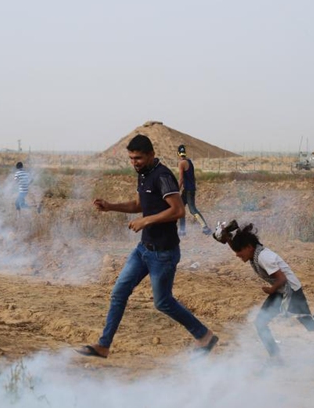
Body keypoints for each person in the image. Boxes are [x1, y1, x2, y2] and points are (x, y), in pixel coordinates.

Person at [76, 134, 219, 358]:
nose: (134, 162)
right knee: (119, 293)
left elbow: (178, 210)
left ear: (151, 155)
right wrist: (110, 206)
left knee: (163, 302)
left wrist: (146, 220)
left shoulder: (163, 177)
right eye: (131, 158)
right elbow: (138, 204)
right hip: (143, 249)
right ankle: (104, 345)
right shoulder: (144, 175)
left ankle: (204, 335)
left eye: (139, 158)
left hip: (164, 253)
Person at [213, 220, 314, 360]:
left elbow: (282, 278)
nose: (237, 255)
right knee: (260, 323)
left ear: (248, 247)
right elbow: (238, 247)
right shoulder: (253, 252)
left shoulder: (264, 257)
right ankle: (276, 357)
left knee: (312, 325)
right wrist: (226, 238)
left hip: (291, 291)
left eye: (239, 251)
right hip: (280, 291)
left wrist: (271, 290)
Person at [176, 144, 211, 236]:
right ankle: (182, 230)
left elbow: (181, 179)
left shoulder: (181, 163)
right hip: (189, 189)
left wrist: (176, 190)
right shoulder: (189, 161)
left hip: (188, 190)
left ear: (178, 153)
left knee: (192, 210)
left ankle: (205, 227)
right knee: (180, 208)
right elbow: (192, 177)